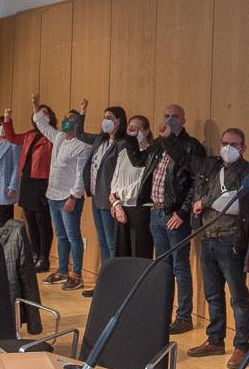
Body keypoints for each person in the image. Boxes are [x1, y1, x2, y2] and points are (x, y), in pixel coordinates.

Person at [183, 128, 249, 369]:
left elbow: (240, 206)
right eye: (224, 143)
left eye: (233, 143)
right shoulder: (212, 168)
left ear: (243, 147)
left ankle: (242, 345)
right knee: (213, 295)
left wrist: (206, 202)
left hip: (231, 241)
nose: (228, 147)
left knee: (238, 298)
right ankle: (215, 340)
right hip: (207, 237)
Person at [135, 104, 207, 334]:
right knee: (161, 267)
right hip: (155, 212)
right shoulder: (157, 144)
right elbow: (140, 162)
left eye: (175, 116)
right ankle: (161, 312)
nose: (170, 119)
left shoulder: (192, 146)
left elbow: (197, 183)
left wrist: (183, 212)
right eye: (166, 116)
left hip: (175, 215)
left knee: (179, 266)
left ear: (184, 120)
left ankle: (184, 316)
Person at [31, 94, 92, 290]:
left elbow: (81, 173)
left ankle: (77, 274)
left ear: (77, 124)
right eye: (65, 118)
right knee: (61, 235)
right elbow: (42, 125)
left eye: (71, 119)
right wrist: (35, 106)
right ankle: (62, 270)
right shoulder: (58, 137)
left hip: (69, 197)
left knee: (73, 235)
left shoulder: (83, 145)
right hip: (53, 195)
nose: (66, 121)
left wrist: (74, 196)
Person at [3, 105, 55, 272]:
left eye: (45, 113)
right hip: (27, 181)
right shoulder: (29, 134)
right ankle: (34, 254)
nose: (41, 115)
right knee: (30, 220)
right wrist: (7, 120)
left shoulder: (53, 136)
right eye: (39, 113)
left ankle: (44, 258)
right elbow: (11, 137)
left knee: (42, 221)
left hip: (43, 181)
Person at [78, 99, 127, 269]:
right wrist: (83, 111)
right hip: (95, 196)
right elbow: (80, 134)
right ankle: (104, 279)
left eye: (109, 117)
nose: (105, 120)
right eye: (103, 117)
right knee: (102, 241)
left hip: (109, 198)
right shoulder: (100, 139)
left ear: (118, 121)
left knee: (111, 241)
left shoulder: (122, 143)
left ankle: (113, 279)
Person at [108, 114, 154, 260]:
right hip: (121, 207)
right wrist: (116, 203)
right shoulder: (123, 153)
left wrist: (117, 196)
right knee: (121, 253)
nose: (133, 132)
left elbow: (141, 184)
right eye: (130, 129)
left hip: (140, 209)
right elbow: (114, 181)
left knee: (139, 253)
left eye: (137, 129)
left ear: (146, 131)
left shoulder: (151, 153)